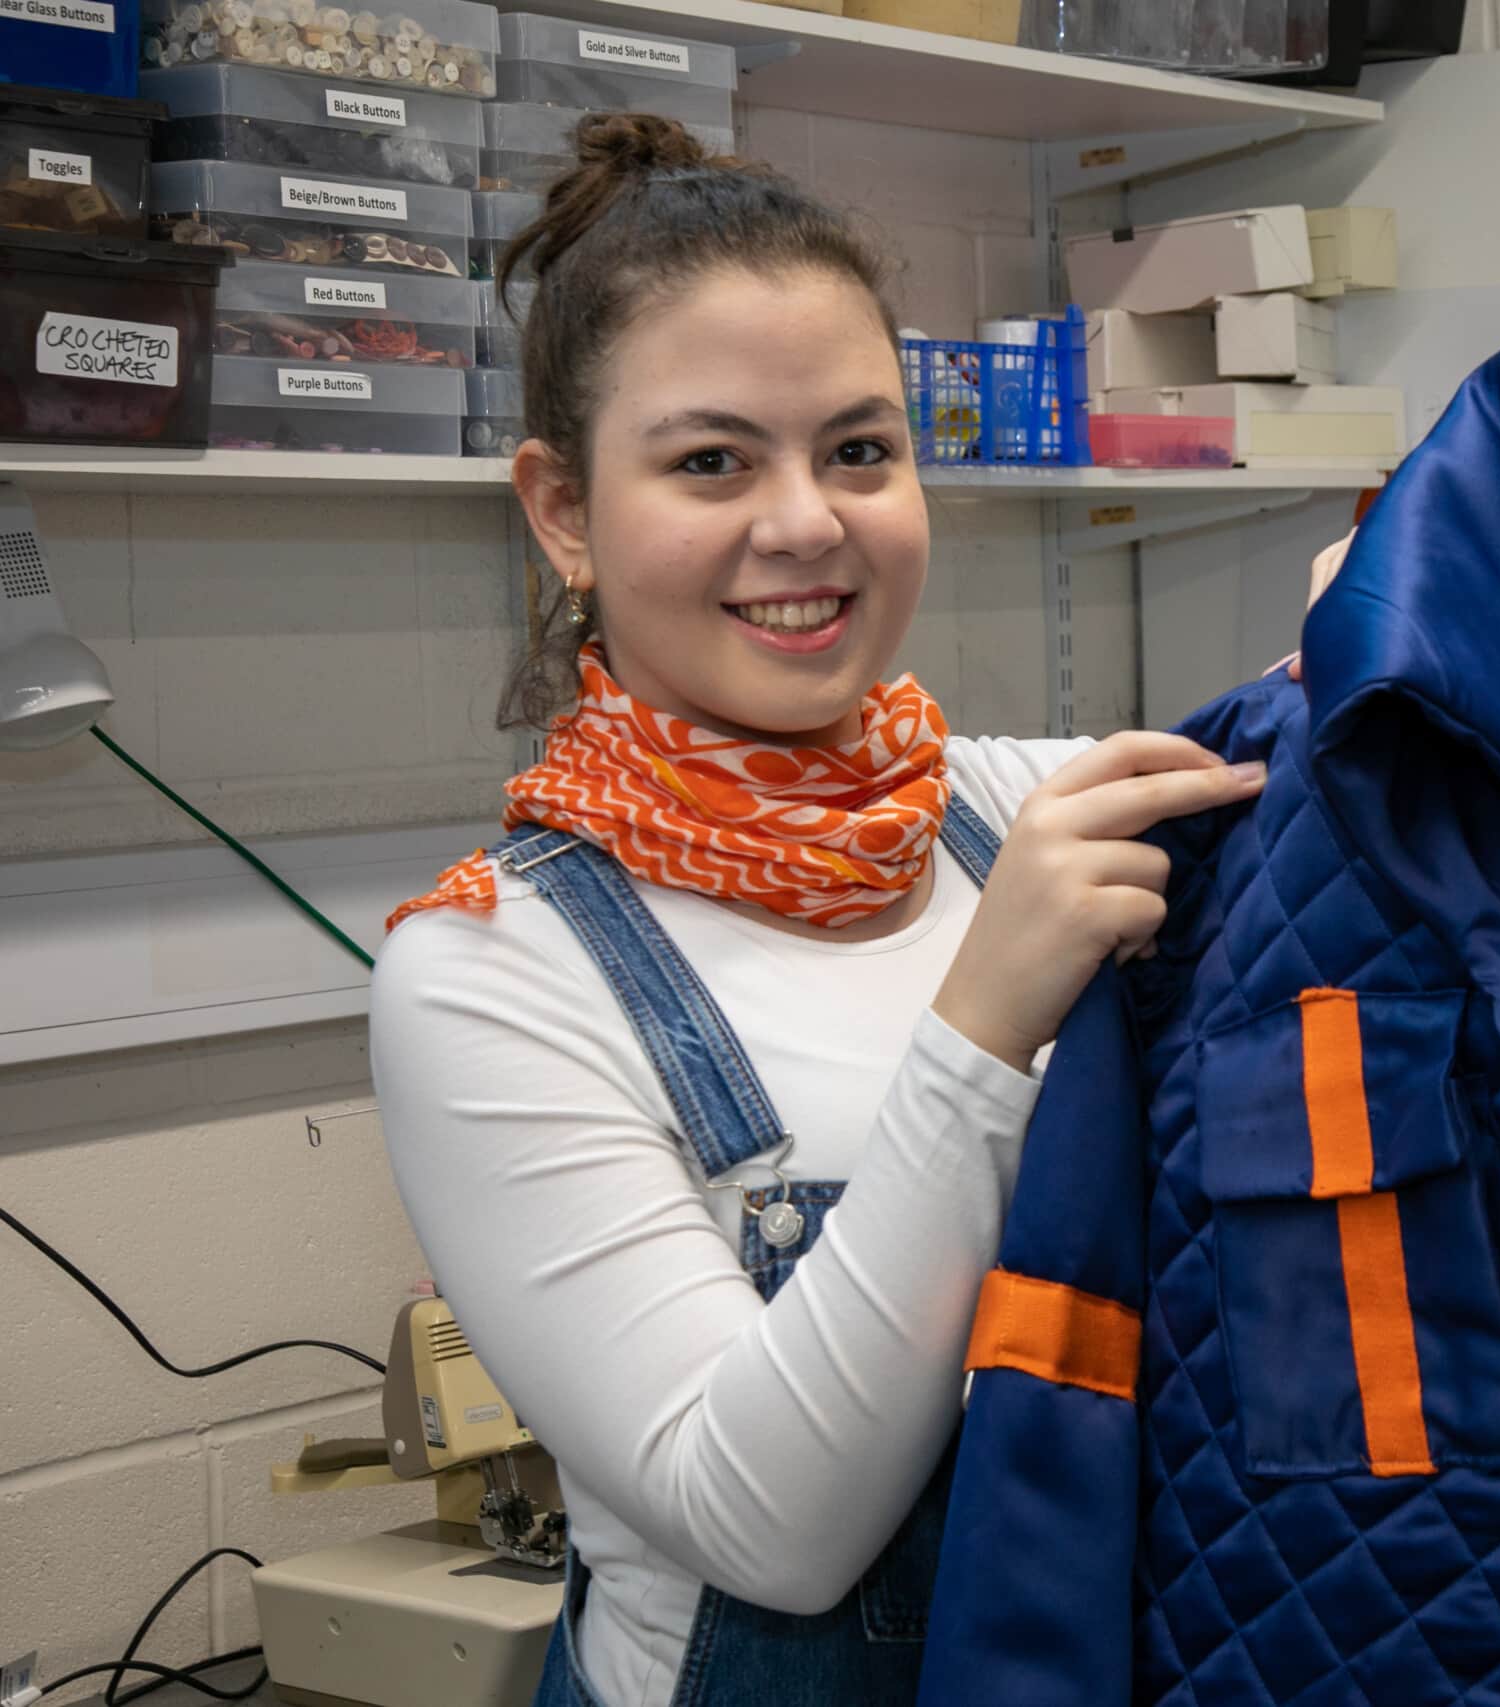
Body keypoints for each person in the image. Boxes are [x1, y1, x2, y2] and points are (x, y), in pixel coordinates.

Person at [366, 114, 1276, 1707]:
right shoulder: (490, 968)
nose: (808, 521)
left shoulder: (1021, 808)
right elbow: (765, 1522)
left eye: (861, 449)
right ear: (564, 511)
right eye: (713, 459)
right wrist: (983, 1027)